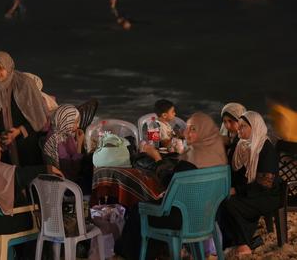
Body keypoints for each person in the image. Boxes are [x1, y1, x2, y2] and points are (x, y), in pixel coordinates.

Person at [118, 112, 228, 260]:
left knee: (139, 209)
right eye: (187, 128)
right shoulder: (217, 157)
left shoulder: (190, 161)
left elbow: (169, 182)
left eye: (193, 129)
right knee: (154, 205)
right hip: (208, 217)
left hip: (185, 219)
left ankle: (132, 254)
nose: (186, 132)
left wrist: (156, 157)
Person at [220, 111, 280, 256]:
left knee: (231, 204)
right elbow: (233, 172)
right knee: (221, 200)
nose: (239, 129)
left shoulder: (265, 149)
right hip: (249, 191)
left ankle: (243, 245)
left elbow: (264, 184)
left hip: (266, 195)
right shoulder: (240, 145)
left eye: (244, 126)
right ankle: (230, 242)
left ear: (255, 127)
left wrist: (236, 191)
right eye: (239, 126)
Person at [0, 51, 49, 166]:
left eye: (0, 68)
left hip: (25, 143)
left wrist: (19, 131)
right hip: (0, 147)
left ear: (9, 67)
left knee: (26, 177)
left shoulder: (24, 85)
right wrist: (0, 137)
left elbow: (39, 118)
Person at [43, 105, 86, 180]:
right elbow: (72, 170)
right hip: (66, 180)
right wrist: (79, 144)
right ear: (66, 122)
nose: (78, 126)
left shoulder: (59, 131)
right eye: (75, 123)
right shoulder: (57, 141)